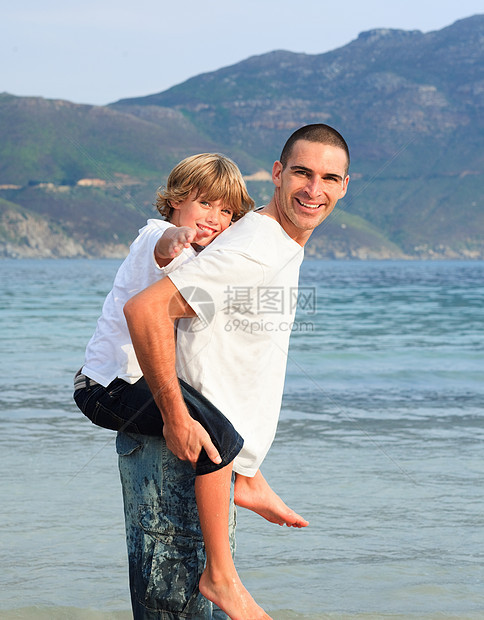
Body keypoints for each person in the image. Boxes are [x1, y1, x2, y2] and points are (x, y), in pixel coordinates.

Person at [122, 124, 350, 619]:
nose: (315, 190)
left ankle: (247, 477)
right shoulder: (254, 247)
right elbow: (146, 310)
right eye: (302, 173)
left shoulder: (275, 240)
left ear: (345, 185)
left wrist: (245, 464)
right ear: (277, 173)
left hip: (214, 455)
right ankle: (221, 576)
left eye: (329, 178)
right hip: (184, 449)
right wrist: (177, 416)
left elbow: (232, 341)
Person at [73, 153, 306, 620]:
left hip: (132, 384)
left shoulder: (210, 255)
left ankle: (247, 479)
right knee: (216, 439)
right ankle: (219, 575)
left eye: (226, 212)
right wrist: (179, 236)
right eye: (204, 204)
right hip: (107, 386)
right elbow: (164, 245)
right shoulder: (155, 236)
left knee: (221, 425)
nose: (214, 219)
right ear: (176, 201)